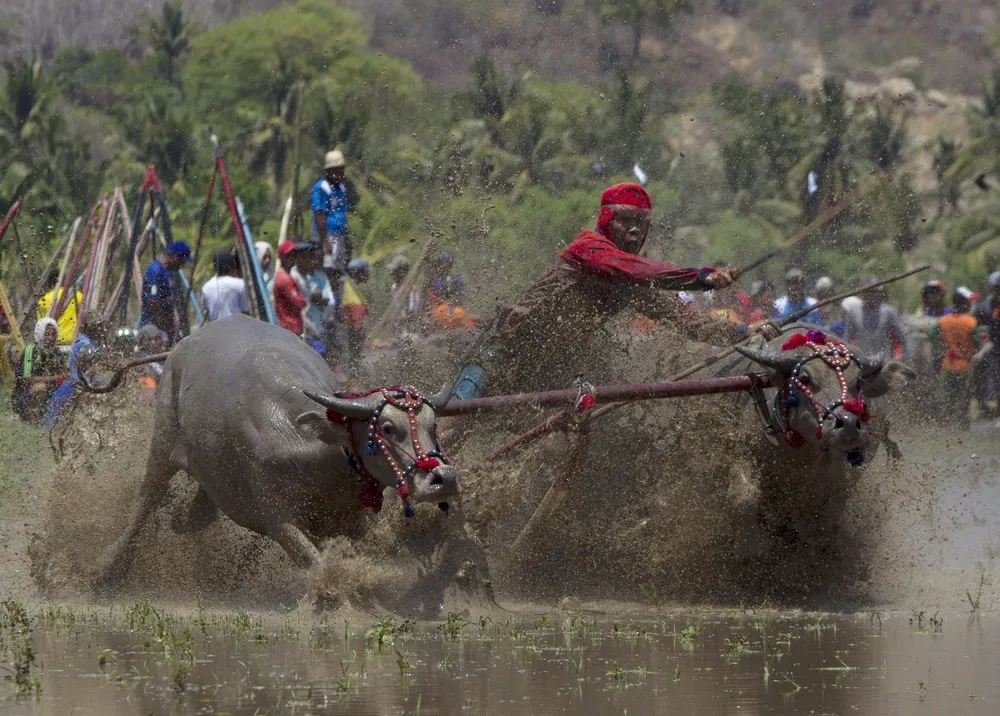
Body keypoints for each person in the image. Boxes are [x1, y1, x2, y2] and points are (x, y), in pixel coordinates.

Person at [451, 182, 771, 399]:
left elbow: (687, 322)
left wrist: (744, 330)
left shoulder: (635, 281)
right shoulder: (589, 247)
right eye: (626, 219)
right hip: (507, 347)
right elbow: (632, 267)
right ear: (607, 220)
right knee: (457, 420)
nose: (635, 228)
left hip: (554, 366)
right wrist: (700, 277)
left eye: (642, 222)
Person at [930, 287, 990, 429]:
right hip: (965, 367)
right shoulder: (971, 322)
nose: (971, 305)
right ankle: (963, 428)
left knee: (947, 401)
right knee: (964, 402)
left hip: (948, 366)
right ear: (964, 304)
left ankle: (946, 430)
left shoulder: (943, 320)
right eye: (969, 303)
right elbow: (978, 341)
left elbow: (931, 335)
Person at [43, 316, 107, 428]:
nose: (102, 330)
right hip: (78, 382)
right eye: (99, 328)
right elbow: (92, 361)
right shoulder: (86, 344)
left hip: (73, 381)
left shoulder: (82, 339)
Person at [13, 317, 67, 424]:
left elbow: (63, 373)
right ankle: (32, 417)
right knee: (40, 387)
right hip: (26, 395)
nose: (50, 338)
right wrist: (54, 378)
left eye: (53, 334)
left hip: (50, 392)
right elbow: (26, 380)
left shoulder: (56, 352)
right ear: (40, 333)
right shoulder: (31, 350)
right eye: (47, 334)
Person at [311, 150, 356, 276]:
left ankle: (336, 295)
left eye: (340, 170)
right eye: (334, 171)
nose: (337, 174)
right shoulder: (321, 187)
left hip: (339, 235)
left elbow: (342, 214)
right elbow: (319, 214)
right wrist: (325, 241)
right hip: (327, 235)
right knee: (328, 269)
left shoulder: (341, 188)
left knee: (339, 270)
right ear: (327, 172)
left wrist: (347, 238)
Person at [842, 276, 909, 358]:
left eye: (873, 291)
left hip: (884, 361)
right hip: (862, 361)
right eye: (867, 291)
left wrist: (905, 357)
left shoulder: (888, 312)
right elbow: (846, 338)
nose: (870, 294)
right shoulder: (854, 313)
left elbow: (904, 335)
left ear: (878, 292)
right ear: (862, 292)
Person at [140, 241, 192, 344]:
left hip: (163, 330)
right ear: (176, 257)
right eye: (182, 261)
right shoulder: (156, 271)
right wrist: (166, 325)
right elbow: (153, 302)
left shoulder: (167, 273)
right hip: (153, 330)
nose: (183, 265)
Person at [291, 244, 335, 347]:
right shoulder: (292, 277)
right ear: (296, 258)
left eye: (309, 258)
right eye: (304, 257)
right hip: (299, 331)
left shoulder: (307, 277)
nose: (307, 261)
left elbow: (327, 300)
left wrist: (317, 298)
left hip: (314, 328)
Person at [973, 272, 1000, 418]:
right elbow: (975, 329)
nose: (998, 291)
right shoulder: (983, 308)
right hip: (986, 351)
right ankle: (984, 409)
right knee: (982, 381)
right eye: (996, 288)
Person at [201, 249, 250, 322]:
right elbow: (245, 311)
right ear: (232, 265)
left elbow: (206, 313)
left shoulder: (206, 287)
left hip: (216, 330)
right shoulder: (240, 284)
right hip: (236, 328)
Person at [36, 271, 83, 345]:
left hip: (51, 344)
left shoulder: (43, 300)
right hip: (74, 344)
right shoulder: (78, 296)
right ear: (64, 281)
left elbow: (41, 325)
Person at [273, 241, 309, 336]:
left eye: (294, 255)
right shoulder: (284, 279)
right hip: (289, 328)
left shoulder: (285, 276)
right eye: (288, 255)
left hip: (290, 327)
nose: (292, 258)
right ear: (281, 257)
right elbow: (299, 302)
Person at [341, 258, 371, 369]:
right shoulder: (347, 288)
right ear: (356, 273)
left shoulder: (353, 287)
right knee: (350, 361)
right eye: (365, 272)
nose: (368, 275)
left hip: (353, 334)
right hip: (349, 334)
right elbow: (355, 316)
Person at [136, 324, 169, 392]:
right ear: (141, 342)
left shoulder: (161, 357)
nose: (153, 342)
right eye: (149, 339)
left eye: (156, 338)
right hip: (151, 394)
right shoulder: (141, 361)